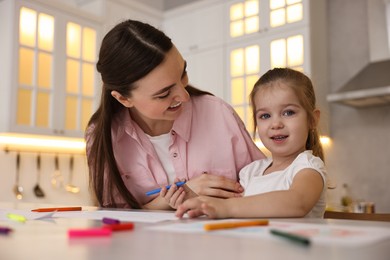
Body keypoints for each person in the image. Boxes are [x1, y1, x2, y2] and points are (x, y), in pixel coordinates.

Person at [85, 19, 265, 210]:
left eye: (183, 74)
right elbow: (112, 216)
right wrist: (170, 200)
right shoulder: (103, 137)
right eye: (164, 94)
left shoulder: (218, 113)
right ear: (123, 99)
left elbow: (269, 185)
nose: (184, 96)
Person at [175, 68, 328, 219]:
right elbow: (237, 207)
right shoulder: (250, 172)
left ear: (312, 120)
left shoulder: (308, 167)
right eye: (265, 115)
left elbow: (297, 202)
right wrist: (195, 200)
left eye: (288, 112)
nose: (275, 124)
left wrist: (226, 207)